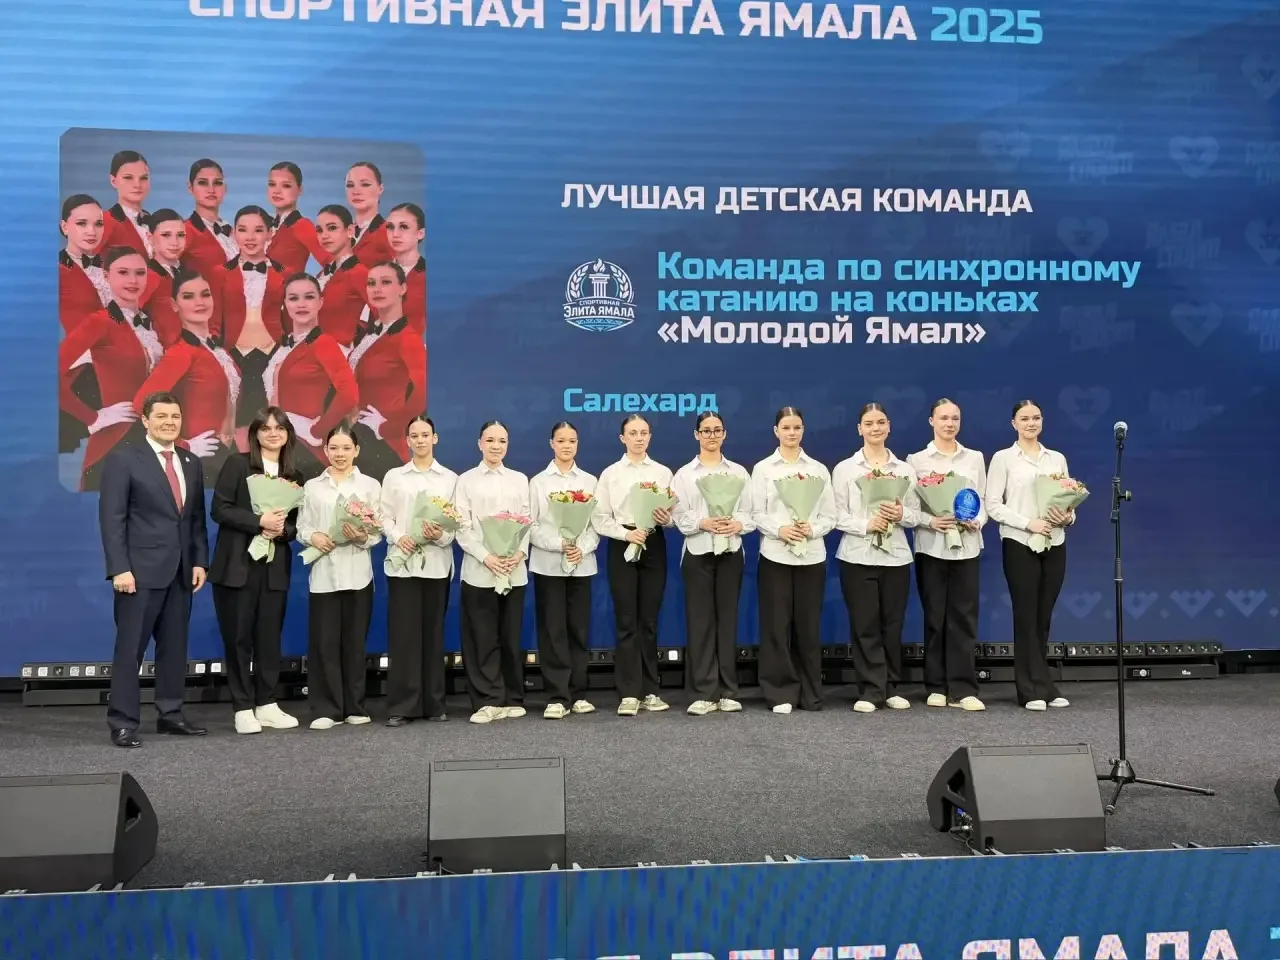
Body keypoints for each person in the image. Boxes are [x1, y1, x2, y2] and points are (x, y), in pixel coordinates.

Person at [98, 391, 208, 748]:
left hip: (180, 572)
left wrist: (199, 561)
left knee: (174, 648)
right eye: (161, 416)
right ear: (145, 420)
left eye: (175, 416)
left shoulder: (191, 462)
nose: (169, 422)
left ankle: (171, 715)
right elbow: (112, 519)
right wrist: (119, 568)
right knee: (130, 649)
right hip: (138, 573)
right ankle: (123, 721)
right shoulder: (124, 459)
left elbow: (194, 520)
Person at [209, 407, 303, 734]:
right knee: (238, 638)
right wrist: (258, 521)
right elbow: (219, 509)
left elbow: (296, 525)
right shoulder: (237, 464)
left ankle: (267, 703)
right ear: (255, 434)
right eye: (266, 428)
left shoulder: (295, 475)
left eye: (279, 428)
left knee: (269, 637)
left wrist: (282, 531)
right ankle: (242, 707)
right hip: (237, 566)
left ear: (288, 434)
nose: (273, 433)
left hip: (274, 568)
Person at [986, 400, 1077, 711]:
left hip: (1054, 541)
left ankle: (1044, 683)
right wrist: (1028, 523)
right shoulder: (1003, 459)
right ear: (1014, 423)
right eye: (1024, 418)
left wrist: (1068, 517)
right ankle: (1028, 689)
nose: (1031, 423)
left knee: (1043, 616)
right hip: (1020, 542)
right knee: (1026, 616)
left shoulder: (1057, 458)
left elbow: (1068, 499)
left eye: (1036, 417)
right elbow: (993, 505)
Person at [833, 402, 921, 713]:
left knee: (892, 625)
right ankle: (870, 689)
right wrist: (866, 524)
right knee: (865, 625)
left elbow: (916, 516)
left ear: (889, 427)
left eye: (881, 422)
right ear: (859, 429)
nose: (875, 428)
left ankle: (891, 687)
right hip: (857, 556)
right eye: (869, 423)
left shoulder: (904, 470)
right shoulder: (845, 469)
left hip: (896, 557)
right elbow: (836, 515)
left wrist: (900, 513)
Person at [749, 406, 836, 714]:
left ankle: (810, 692)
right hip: (775, 555)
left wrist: (811, 529)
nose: (791, 432)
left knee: (808, 628)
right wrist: (780, 529)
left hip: (811, 556)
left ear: (803, 430)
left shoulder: (818, 469)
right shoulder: (763, 469)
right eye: (786, 427)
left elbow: (830, 516)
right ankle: (780, 693)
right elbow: (756, 513)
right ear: (776, 431)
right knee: (776, 627)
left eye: (796, 427)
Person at [297, 422, 382, 729]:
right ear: (325, 450)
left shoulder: (370, 486)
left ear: (356, 450)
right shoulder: (313, 486)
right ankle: (326, 708)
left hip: (358, 573)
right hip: (323, 574)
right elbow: (302, 527)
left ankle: (354, 706)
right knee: (325, 644)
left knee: (354, 643)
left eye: (346, 448)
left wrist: (362, 537)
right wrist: (314, 537)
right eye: (334, 448)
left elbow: (377, 531)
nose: (340, 453)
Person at [58, 246, 162, 490]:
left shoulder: (150, 324)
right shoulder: (99, 322)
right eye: (123, 272)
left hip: (155, 440)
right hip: (116, 441)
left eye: (140, 273)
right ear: (106, 276)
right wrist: (93, 417)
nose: (133, 280)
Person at [907, 398, 987, 712]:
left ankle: (964, 688)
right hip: (931, 547)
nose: (949, 424)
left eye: (955, 418)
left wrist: (976, 521)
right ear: (932, 421)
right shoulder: (916, 460)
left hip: (967, 547)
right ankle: (936, 686)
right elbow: (911, 509)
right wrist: (932, 521)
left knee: (964, 618)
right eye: (943, 418)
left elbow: (982, 501)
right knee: (935, 617)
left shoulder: (974, 458)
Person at [592, 414, 674, 717]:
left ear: (650, 436)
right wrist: (626, 534)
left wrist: (667, 518)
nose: (639, 438)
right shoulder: (610, 474)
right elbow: (600, 518)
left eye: (644, 433)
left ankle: (650, 690)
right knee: (627, 620)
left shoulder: (663, 472)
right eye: (633, 433)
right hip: (622, 543)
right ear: (622, 438)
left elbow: (672, 516)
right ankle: (628, 693)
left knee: (649, 621)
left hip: (653, 542)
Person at [672, 411, 754, 716]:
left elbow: (751, 513)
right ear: (696, 435)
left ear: (724, 434)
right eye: (705, 431)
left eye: (717, 430)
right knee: (700, 623)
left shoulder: (739, 472)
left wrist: (737, 524)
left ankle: (728, 691)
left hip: (731, 552)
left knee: (728, 621)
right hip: (698, 553)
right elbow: (677, 516)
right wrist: (703, 522)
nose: (711, 435)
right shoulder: (684, 474)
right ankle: (703, 693)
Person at [454, 420, 531, 724]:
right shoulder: (466, 481)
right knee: (482, 638)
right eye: (490, 440)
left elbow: (527, 521)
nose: (496, 446)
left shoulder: (519, 480)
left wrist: (519, 554)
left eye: (502, 441)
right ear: (479, 444)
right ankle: (488, 700)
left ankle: (512, 697)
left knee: (510, 636)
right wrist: (487, 557)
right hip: (479, 571)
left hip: (513, 570)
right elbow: (462, 527)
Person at [381, 416, 457, 726]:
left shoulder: (450, 478)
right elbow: (383, 516)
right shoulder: (394, 476)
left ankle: (434, 704)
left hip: (437, 565)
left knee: (433, 635)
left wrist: (440, 534)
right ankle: (402, 705)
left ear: (435, 438)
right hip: (403, 564)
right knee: (404, 636)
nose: (421, 440)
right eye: (415, 435)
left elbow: (455, 523)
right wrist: (400, 536)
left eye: (426, 435)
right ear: (408, 440)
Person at [133, 270, 239, 480]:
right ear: (174, 305)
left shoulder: (217, 350)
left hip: (226, 453)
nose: (199, 302)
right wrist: (182, 445)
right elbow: (140, 405)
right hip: (204, 456)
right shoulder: (181, 352)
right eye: (188, 297)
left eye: (205, 294)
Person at [528, 421, 599, 719]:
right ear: (551, 444)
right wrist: (559, 544)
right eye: (561, 440)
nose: (567, 445)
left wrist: (582, 547)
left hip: (581, 565)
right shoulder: (538, 483)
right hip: (548, 565)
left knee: (578, 630)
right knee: (552, 630)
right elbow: (530, 526)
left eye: (572, 441)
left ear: (577, 444)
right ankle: (557, 696)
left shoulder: (590, 481)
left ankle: (578, 693)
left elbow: (596, 525)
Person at [266, 273, 360, 474]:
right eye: (293, 298)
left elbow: (349, 394)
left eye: (309, 297)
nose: (301, 304)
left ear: (320, 302)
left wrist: (316, 431)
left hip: (306, 449)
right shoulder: (284, 347)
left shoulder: (324, 343)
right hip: (282, 445)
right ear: (285, 304)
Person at [351, 261, 426, 477]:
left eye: (385, 282)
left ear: (402, 288)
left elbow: (423, 393)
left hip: (382, 445)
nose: (377, 289)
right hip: (356, 439)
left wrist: (387, 427)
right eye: (371, 283)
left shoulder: (408, 339)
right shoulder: (371, 334)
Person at [314, 203, 369, 349]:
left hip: (339, 353)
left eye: (332, 228)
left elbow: (384, 316)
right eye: (319, 230)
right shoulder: (323, 273)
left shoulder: (360, 273)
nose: (324, 235)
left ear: (350, 231)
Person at [265, 162, 327, 276]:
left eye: (286, 186)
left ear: (299, 190)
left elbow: (333, 263)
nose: (277, 191)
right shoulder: (265, 225)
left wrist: (311, 285)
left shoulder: (302, 225)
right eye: (272, 184)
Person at [182, 159, 238, 282]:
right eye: (203, 183)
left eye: (217, 183)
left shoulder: (234, 232)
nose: (211, 190)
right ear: (190, 188)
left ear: (225, 188)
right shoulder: (184, 231)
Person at [96, 150, 151, 257]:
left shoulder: (155, 222)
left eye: (144, 178)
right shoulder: (103, 222)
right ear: (113, 181)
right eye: (128, 178)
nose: (137, 185)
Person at [386, 202, 426, 335]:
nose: (395, 234)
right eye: (390, 227)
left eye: (403, 227)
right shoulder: (376, 271)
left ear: (420, 233)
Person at [346, 161, 394, 266]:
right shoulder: (341, 234)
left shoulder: (389, 233)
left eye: (365, 184)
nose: (356, 191)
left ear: (380, 189)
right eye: (350, 185)